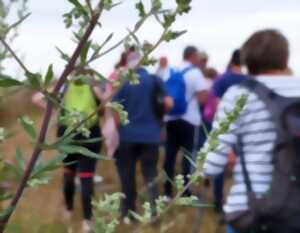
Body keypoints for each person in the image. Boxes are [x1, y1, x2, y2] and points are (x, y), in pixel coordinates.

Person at [203, 29, 300, 233]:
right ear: (285, 57)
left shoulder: (239, 95)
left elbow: (210, 164)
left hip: (252, 211)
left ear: (248, 61)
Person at [32, 67, 103, 233]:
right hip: (90, 137)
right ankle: (87, 221)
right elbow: (106, 102)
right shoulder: (93, 87)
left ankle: (68, 210)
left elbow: (36, 98)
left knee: (69, 174)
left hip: (67, 137)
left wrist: (56, 112)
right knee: (87, 178)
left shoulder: (65, 87)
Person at [112, 50, 173, 219]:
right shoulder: (154, 80)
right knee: (150, 174)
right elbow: (169, 103)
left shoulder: (123, 81)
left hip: (127, 136)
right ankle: (154, 213)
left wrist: (119, 131)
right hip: (151, 136)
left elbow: (115, 110)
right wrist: (158, 119)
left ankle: (128, 213)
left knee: (128, 175)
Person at [164, 46, 209, 198]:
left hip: (170, 118)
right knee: (188, 156)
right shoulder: (195, 73)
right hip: (189, 119)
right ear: (192, 56)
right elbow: (203, 96)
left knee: (169, 155)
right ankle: (185, 191)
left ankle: (167, 191)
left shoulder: (170, 71)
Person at [209, 49, 245, 213]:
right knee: (243, 165)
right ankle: (241, 202)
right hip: (243, 129)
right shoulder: (248, 80)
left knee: (220, 166)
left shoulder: (221, 80)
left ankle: (218, 201)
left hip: (223, 127)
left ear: (231, 60)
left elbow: (215, 104)